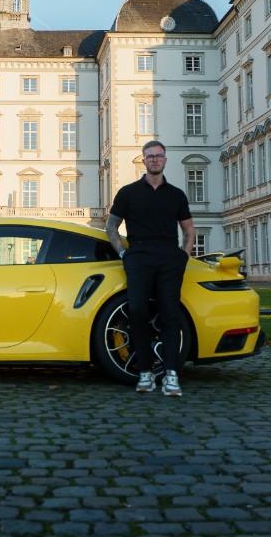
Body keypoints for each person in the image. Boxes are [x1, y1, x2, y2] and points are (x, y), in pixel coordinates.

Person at [105, 140, 195, 396]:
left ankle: (171, 375)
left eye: (159, 156)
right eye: (150, 156)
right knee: (137, 312)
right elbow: (111, 227)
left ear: (165, 160)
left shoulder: (176, 194)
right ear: (143, 161)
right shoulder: (128, 192)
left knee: (169, 315)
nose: (154, 160)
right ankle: (145, 372)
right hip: (139, 256)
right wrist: (123, 254)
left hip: (169, 258)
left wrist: (183, 257)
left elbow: (188, 230)